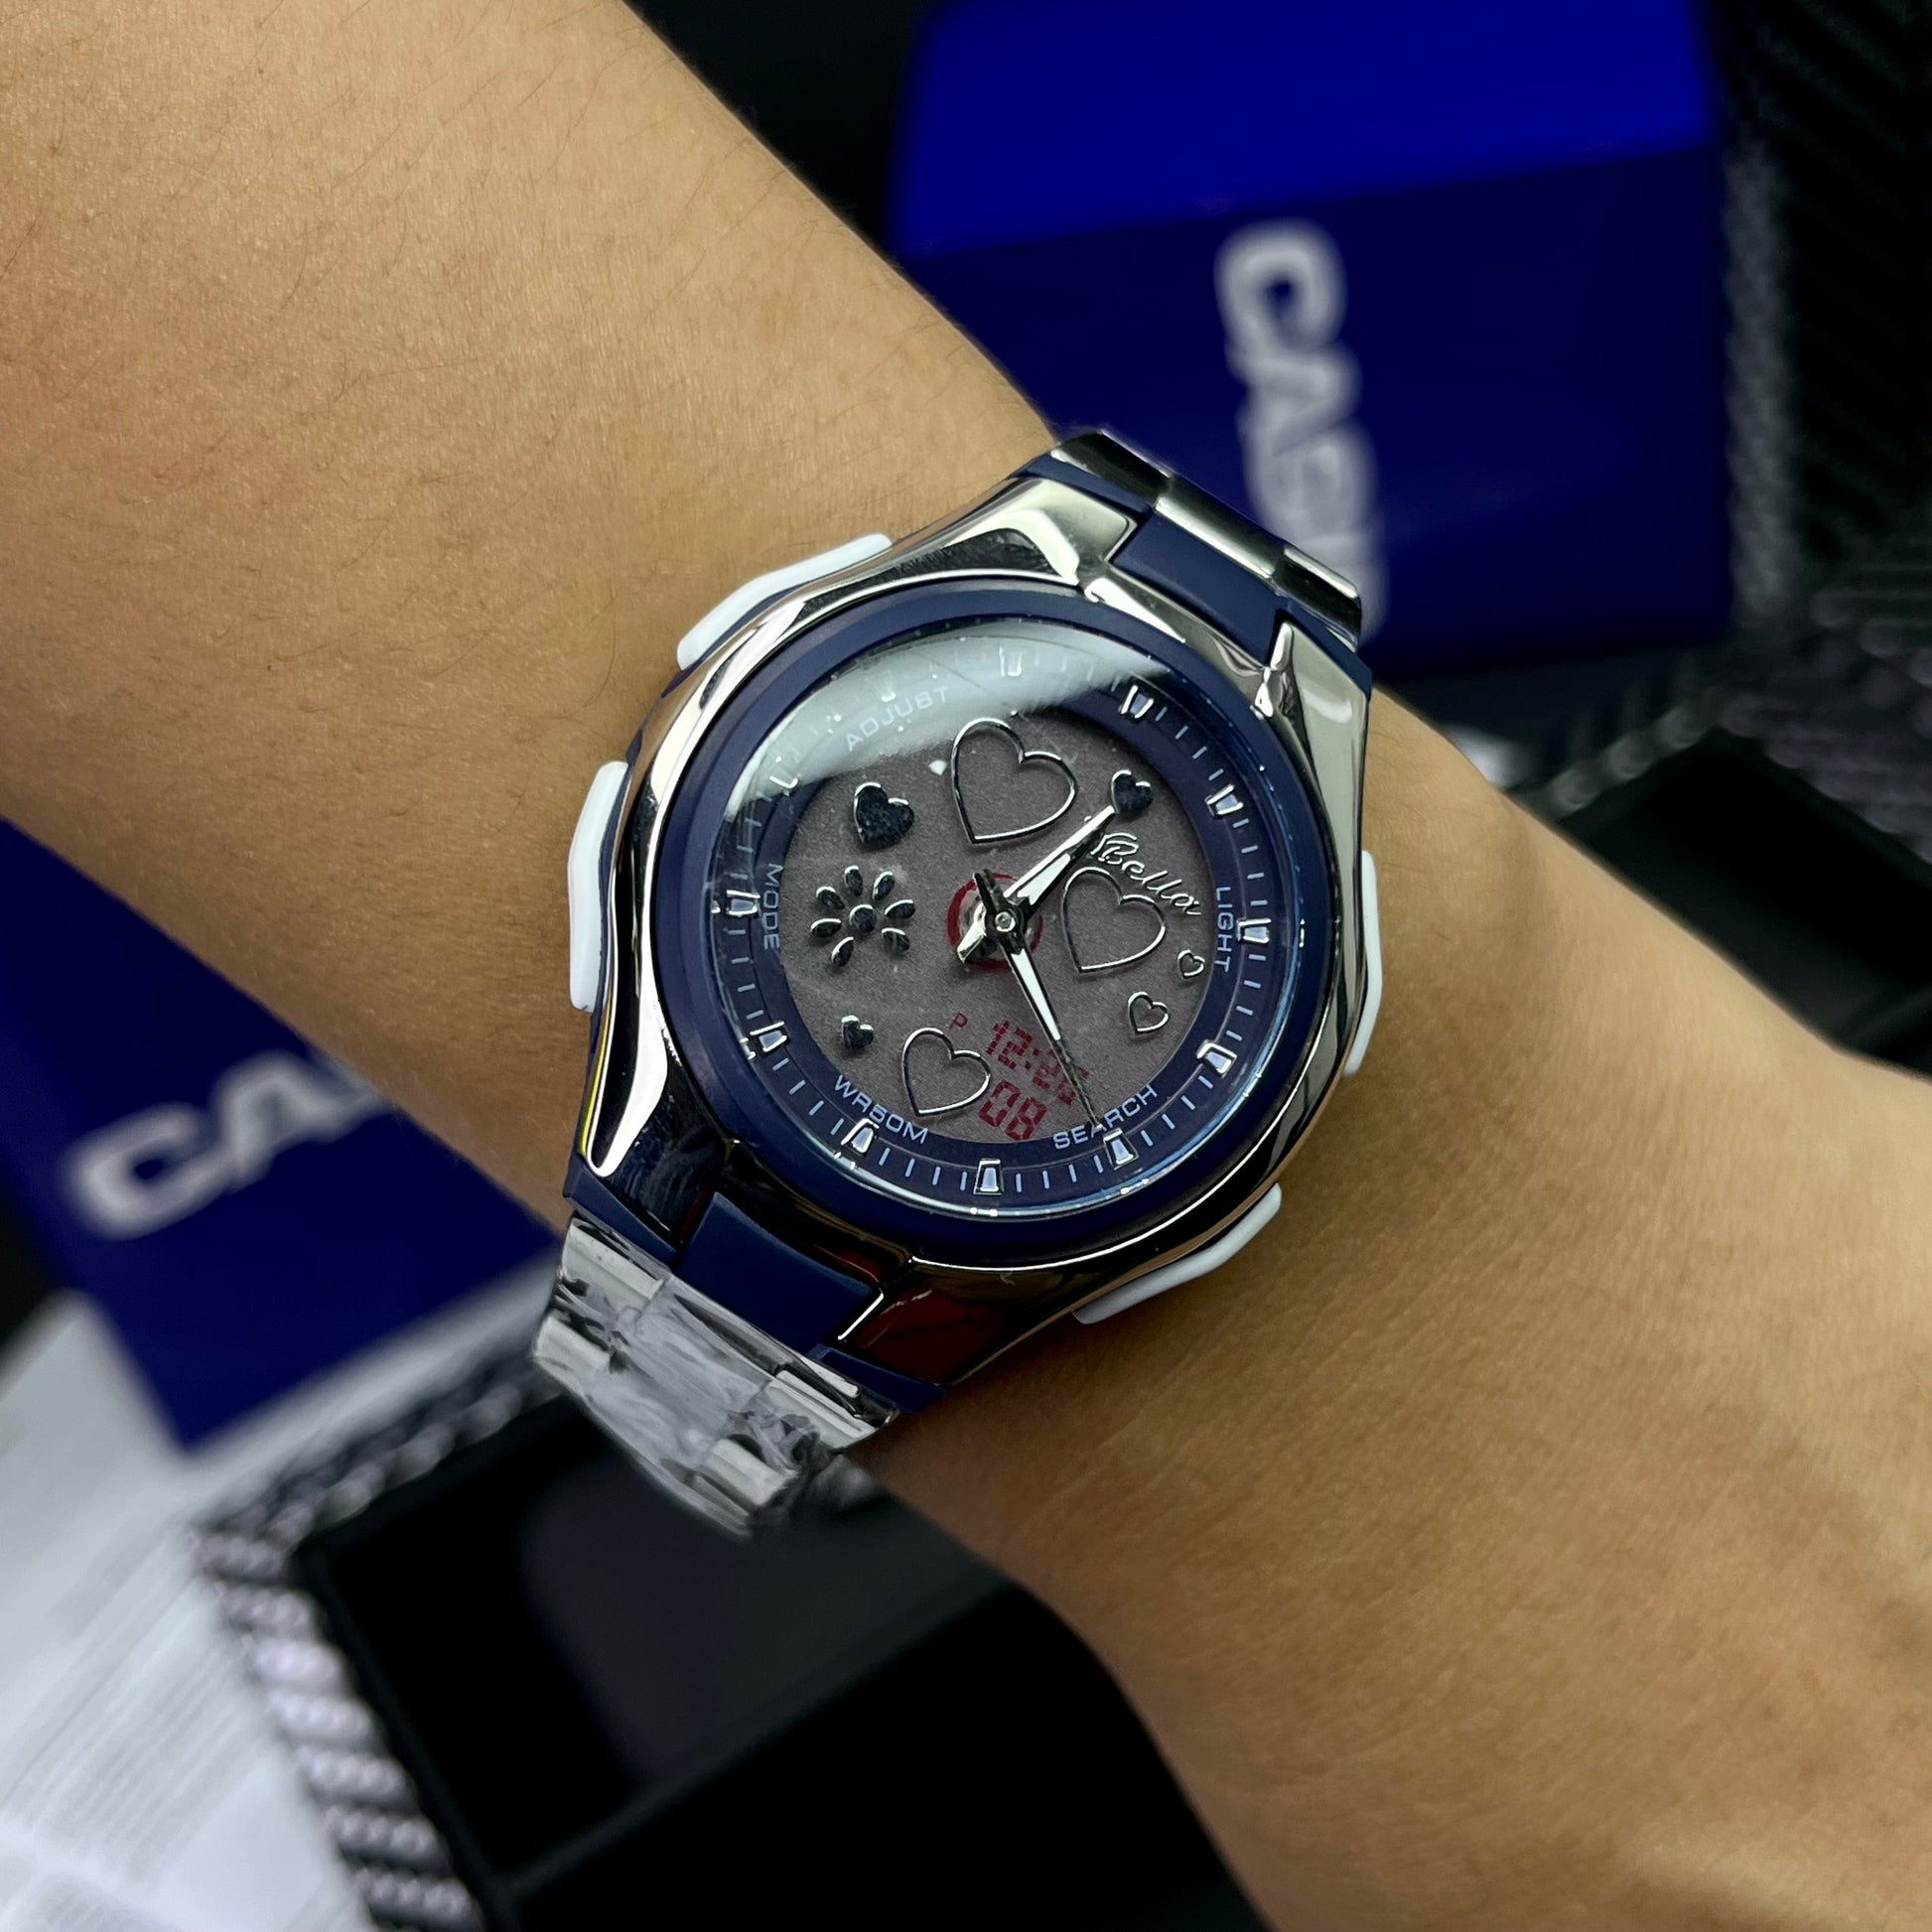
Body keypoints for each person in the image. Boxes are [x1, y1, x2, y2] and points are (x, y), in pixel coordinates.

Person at [5, 4, 1932, 1925]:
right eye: (984, 912)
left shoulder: (1214, 968)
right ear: (630, 845)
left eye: (1008, 914)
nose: (990, 927)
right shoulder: (748, 847)